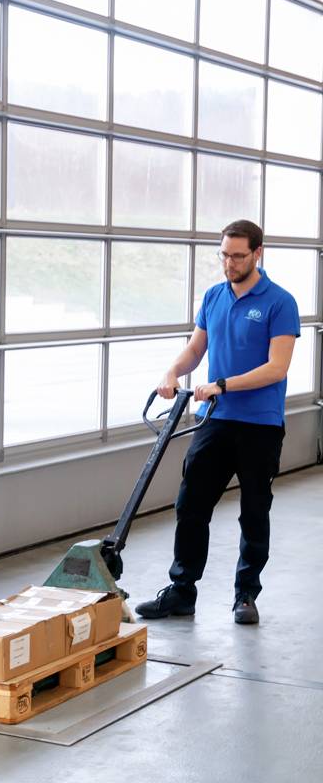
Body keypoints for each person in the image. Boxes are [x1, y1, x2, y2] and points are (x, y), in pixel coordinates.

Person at [136, 219, 300, 625]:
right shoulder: (213, 297)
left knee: (253, 510)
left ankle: (246, 593)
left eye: (238, 256)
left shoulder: (280, 302)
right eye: (224, 255)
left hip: (260, 424)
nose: (229, 263)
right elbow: (195, 349)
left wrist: (223, 384)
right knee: (191, 503)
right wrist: (172, 373)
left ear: (258, 253)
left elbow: (277, 368)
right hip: (217, 419)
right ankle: (182, 590)